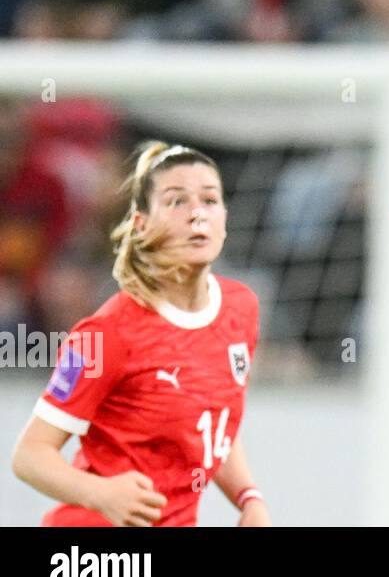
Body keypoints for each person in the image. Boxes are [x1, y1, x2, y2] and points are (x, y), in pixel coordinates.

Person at [10, 142, 268, 526]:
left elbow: (214, 425)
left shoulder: (241, 308)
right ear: (142, 223)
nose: (197, 213)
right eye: (177, 201)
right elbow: (29, 456)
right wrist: (101, 493)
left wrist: (249, 498)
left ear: (225, 218)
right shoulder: (107, 333)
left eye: (209, 200)